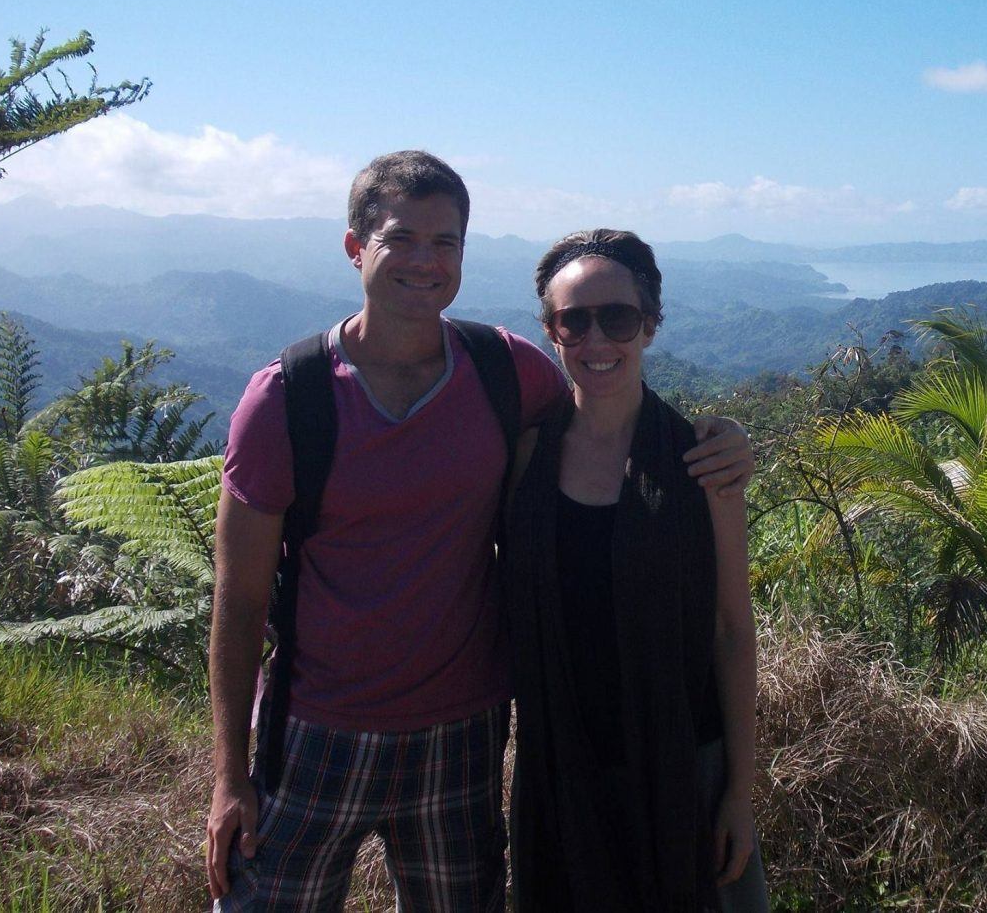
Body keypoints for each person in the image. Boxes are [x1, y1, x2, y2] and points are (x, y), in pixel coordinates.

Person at [206, 153, 753, 911]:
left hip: (463, 737)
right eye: (403, 239)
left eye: (447, 243)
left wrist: (728, 439)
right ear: (354, 246)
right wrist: (229, 775)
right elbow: (236, 604)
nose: (426, 262)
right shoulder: (287, 398)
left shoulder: (501, 374)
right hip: (314, 733)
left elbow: (606, 411)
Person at [505, 229, 770, 912]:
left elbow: (732, 631)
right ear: (551, 332)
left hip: (683, 768)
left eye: (617, 318)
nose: (597, 340)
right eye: (574, 320)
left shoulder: (701, 462)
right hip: (562, 769)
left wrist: (739, 794)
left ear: (651, 324)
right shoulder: (527, 456)